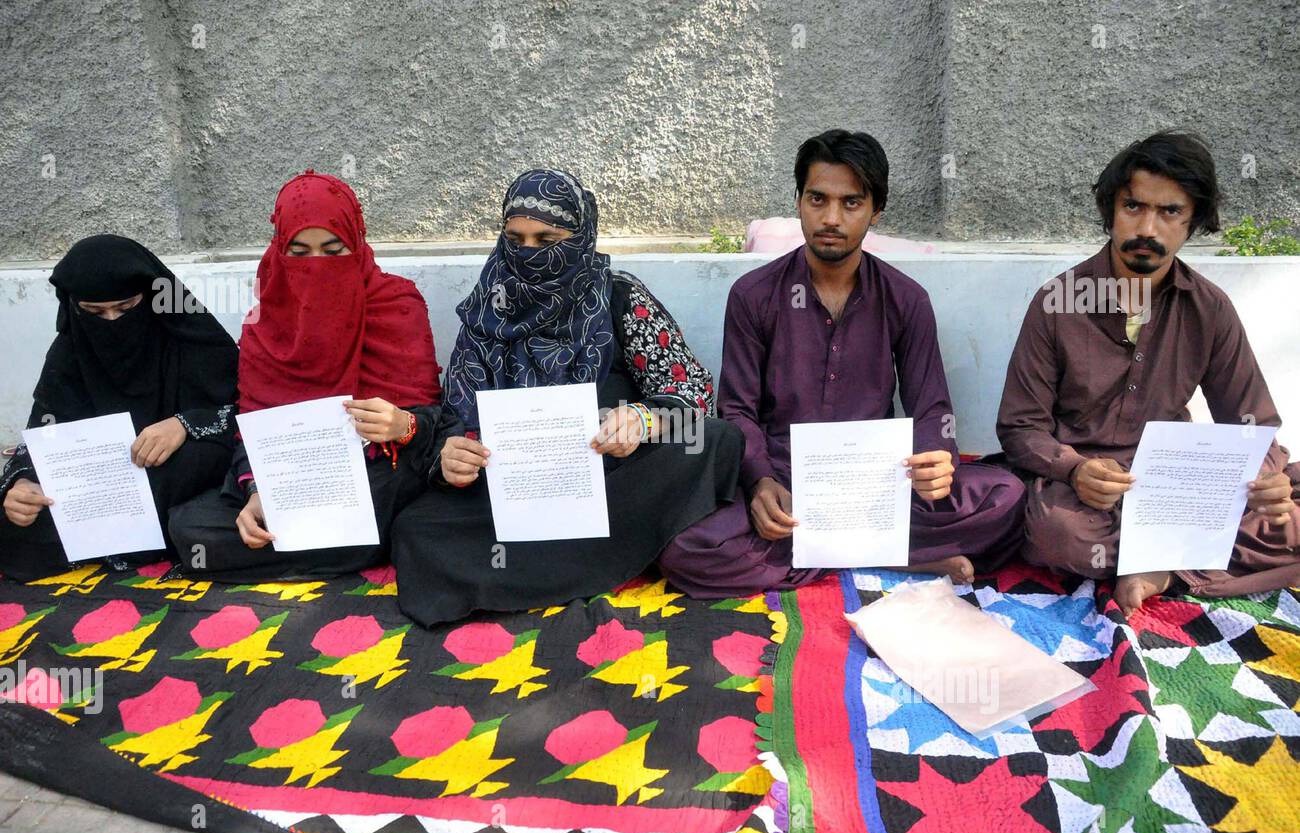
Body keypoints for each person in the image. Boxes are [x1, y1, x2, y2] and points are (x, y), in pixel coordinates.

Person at [659, 130, 1027, 598]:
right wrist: (760, 484)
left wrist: (938, 458)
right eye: (818, 199)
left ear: (875, 211)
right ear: (798, 201)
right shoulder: (754, 296)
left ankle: (840, 551)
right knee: (686, 549)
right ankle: (896, 558)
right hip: (789, 483)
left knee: (1007, 498)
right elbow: (736, 411)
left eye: (851, 203)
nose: (831, 218)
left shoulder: (905, 299)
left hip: (878, 484)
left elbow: (932, 407)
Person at [389, 168, 743, 624]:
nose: (529, 252)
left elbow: (691, 390)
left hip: (611, 478)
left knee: (716, 440)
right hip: (512, 488)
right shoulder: (489, 306)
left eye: (548, 238)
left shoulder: (620, 297)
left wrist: (642, 419)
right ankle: (606, 554)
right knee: (416, 528)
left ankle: (538, 565)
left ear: (581, 234)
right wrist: (450, 456)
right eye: (515, 238)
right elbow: (453, 417)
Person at [997, 130, 1299, 616]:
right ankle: (1180, 561)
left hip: (1178, 486)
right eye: (1133, 207)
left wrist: (1263, 479)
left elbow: (1252, 425)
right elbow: (1019, 426)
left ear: (1193, 221)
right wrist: (1074, 469)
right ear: (1110, 211)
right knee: (1061, 536)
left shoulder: (1209, 309)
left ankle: (1160, 569)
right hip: (1088, 490)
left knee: (1283, 511)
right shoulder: (1057, 302)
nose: (1148, 228)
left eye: (1170, 212)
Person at [168, 170, 452, 581]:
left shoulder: (396, 304)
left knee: (391, 507)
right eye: (299, 253)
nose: (316, 266)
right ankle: (338, 547)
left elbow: (432, 420)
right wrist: (256, 492)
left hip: (379, 471)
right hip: (290, 477)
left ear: (356, 244)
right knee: (191, 527)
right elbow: (252, 428)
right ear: (279, 251)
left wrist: (403, 425)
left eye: (333, 250)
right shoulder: (264, 325)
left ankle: (330, 544)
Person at [0, 235, 238, 581]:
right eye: (94, 312)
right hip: (98, 482)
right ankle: (130, 536)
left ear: (155, 297)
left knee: (197, 464)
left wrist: (184, 424)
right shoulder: (70, 350)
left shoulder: (191, 336)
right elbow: (45, 431)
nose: (112, 321)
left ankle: (108, 538)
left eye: (127, 308)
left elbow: (246, 411)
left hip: (174, 473)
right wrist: (23, 483)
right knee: (13, 513)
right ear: (74, 308)